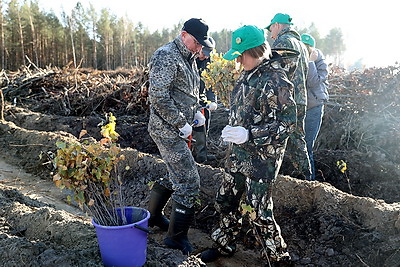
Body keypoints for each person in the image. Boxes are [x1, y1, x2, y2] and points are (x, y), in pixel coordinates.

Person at [200, 25, 296, 265]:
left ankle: (278, 258)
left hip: (262, 159)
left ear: (255, 51)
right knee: (226, 200)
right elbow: (245, 109)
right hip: (238, 154)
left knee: (259, 212)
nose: (239, 60)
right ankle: (224, 244)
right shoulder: (248, 73)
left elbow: (287, 125)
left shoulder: (277, 80)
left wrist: (249, 134)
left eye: (242, 55)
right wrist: (234, 129)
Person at [146, 18, 212, 255]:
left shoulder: (190, 57)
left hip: (180, 128)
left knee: (175, 172)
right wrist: (180, 122)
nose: (199, 48)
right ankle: (175, 238)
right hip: (167, 130)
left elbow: (187, 91)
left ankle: (153, 217)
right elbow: (159, 97)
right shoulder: (166, 56)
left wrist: (195, 112)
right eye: (196, 42)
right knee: (189, 181)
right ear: (184, 35)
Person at [266, 13, 312, 180]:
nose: (270, 33)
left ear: (277, 25)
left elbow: (274, 73)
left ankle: (275, 177)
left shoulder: (282, 42)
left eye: (271, 28)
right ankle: (308, 179)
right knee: (298, 140)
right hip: (300, 100)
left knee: (276, 138)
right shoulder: (301, 45)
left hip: (286, 102)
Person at [301, 33, 329, 180]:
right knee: (300, 146)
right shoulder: (301, 61)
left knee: (307, 147)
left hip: (314, 108)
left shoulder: (319, 63)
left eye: (307, 48)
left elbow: (313, 82)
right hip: (302, 109)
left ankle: (310, 181)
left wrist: (311, 62)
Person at [192, 36, 218, 164]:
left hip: (201, 99)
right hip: (188, 99)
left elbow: (210, 84)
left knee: (204, 126)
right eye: (204, 53)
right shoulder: (189, 60)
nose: (206, 57)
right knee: (190, 128)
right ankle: (188, 154)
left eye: (209, 54)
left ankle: (201, 156)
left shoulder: (208, 62)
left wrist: (212, 100)